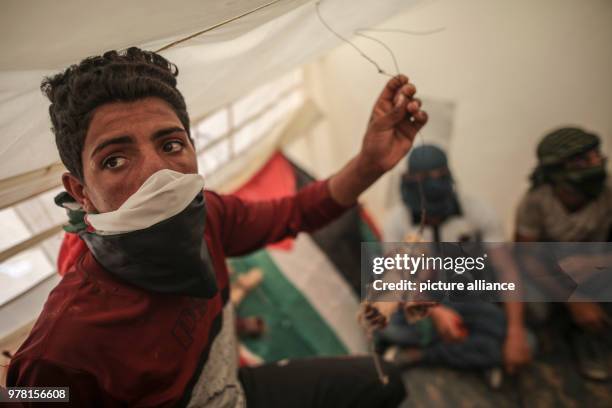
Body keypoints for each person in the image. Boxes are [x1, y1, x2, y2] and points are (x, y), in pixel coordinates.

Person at [6, 47, 428, 407]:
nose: (158, 176)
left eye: (171, 145)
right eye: (115, 159)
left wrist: (370, 163)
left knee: (385, 383)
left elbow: (296, 211)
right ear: (80, 191)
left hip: (236, 391)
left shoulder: (209, 217)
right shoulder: (62, 348)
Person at [379, 145, 532, 384]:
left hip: (468, 296)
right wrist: (436, 313)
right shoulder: (396, 223)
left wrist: (515, 332)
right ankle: (481, 352)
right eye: (427, 215)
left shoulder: (478, 211)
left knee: (525, 342)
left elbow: (506, 271)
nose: (434, 220)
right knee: (388, 326)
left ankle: (422, 354)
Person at [515, 127, 612, 381]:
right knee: (534, 307)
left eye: (596, 156)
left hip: (597, 264)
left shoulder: (608, 194)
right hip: (553, 271)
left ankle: (591, 337)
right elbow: (526, 256)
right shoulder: (536, 202)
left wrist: (599, 262)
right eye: (582, 160)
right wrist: (572, 299)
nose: (596, 163)